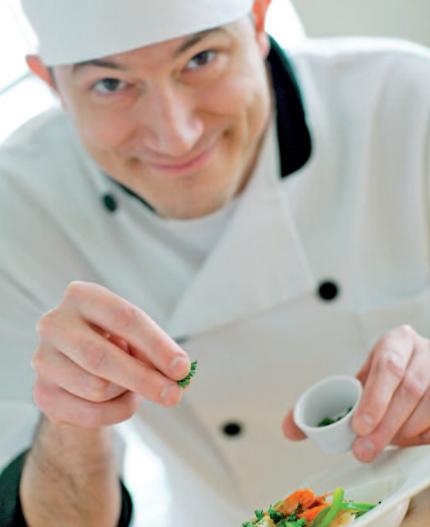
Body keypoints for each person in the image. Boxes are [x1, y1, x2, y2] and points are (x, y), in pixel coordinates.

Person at [0, 0, 429, 525]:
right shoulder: (17, 214)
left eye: (201, 59)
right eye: (110, 85)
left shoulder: (405, 100)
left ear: (258, 23)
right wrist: (72, 421)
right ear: (51, 84)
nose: (175, 134)